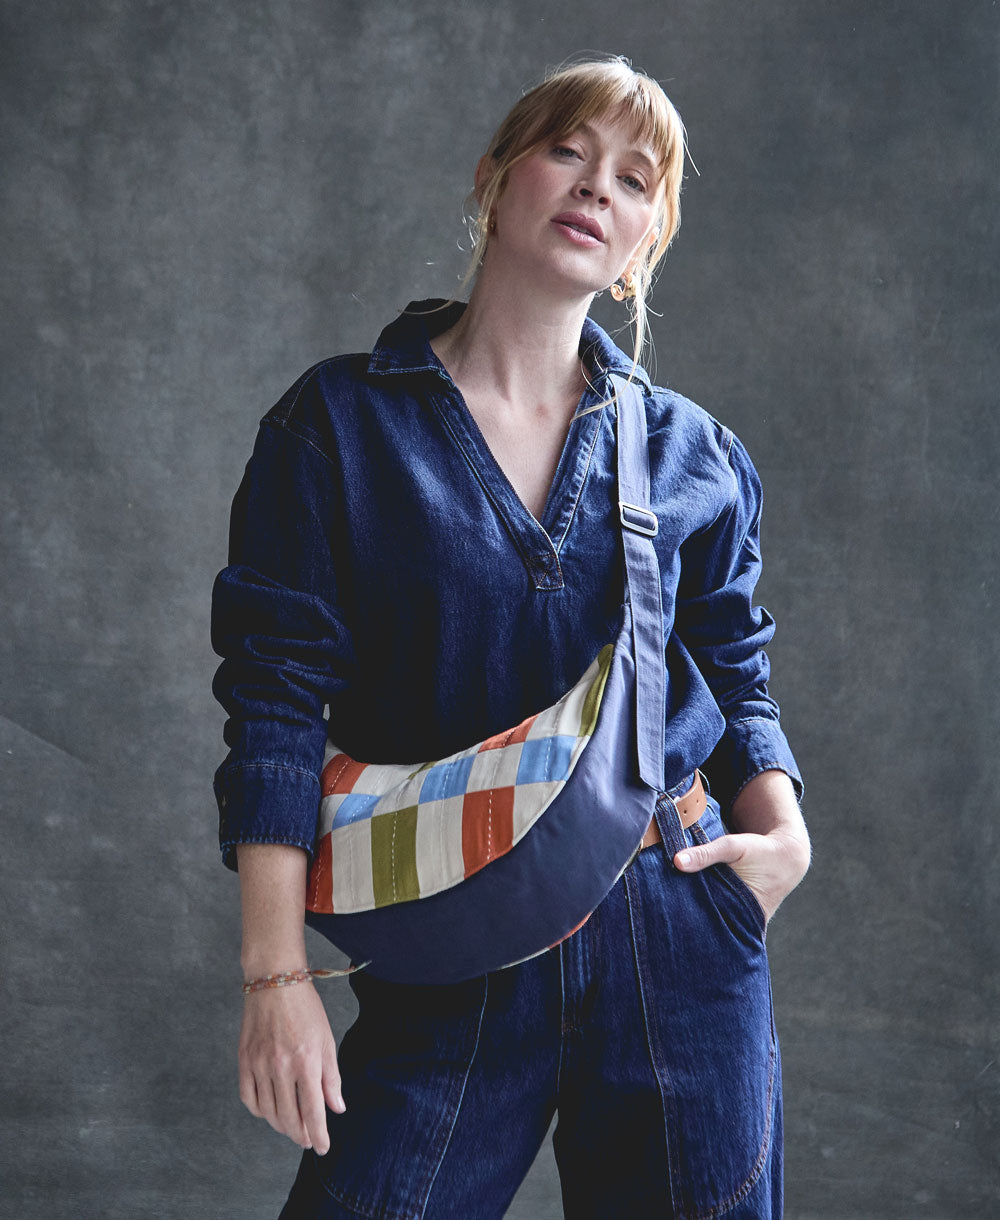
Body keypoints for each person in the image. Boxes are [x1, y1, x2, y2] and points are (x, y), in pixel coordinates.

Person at [210, 53, 810, 1219]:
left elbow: (733, 670)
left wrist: (781, 833)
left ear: (645, 241)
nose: (597, 187)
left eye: (634, 180)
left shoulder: (695, 453)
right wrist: (274, 974)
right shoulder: (336, 423)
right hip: (455, 918)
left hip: (672, 915)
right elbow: (275, 703)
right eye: (568, 151)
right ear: (494, 179)